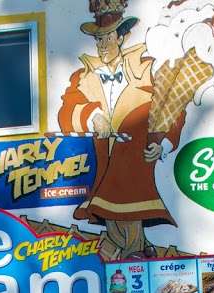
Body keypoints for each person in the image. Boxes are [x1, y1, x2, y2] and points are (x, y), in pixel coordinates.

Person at [57, 0, 186, 259]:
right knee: (115, 214)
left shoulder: (148, 70)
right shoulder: (83, 76)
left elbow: (172, 110)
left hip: (135, 160)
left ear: (122, 37)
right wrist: (93, 116)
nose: (102, 46)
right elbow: (66, 111)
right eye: (98, 40)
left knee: (124, 205)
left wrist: (162, 145)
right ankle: (135, 255)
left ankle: (125, 256)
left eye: (107, 38)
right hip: (102, 161)